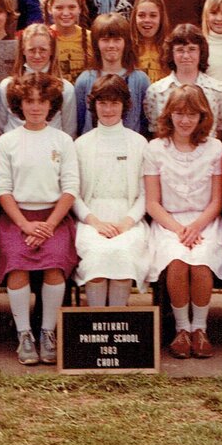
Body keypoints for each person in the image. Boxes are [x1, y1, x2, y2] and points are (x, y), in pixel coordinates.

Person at [0, 73, 80, 365]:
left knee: (55, 267)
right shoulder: (6, 142)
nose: (35, 107)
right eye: (29, 101)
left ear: (52, 104)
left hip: (54, 218)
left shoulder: (63, 140)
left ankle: (47, 332)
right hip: (17, 218)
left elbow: (70, 188)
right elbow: (3, 189)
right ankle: (24, 333)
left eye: (42, 101)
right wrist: (25, 225)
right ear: (19, 104)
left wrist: (49, 225)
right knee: (18, 268)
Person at [144, 85, 222, 359]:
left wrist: (196, 227)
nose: (185, 120)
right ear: (169, 115)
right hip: (169, 223)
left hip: (205, 222)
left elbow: (217, 201)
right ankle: (182, 328)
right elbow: (152, 203)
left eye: (192, 114)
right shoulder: (155, 148)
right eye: (179, 113)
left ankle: (200, 329)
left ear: (203, 116)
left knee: (202, 261)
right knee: (178, 261)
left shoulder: (215, 148)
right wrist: (180, 229)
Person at [73, 75, 150, 306]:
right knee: (97, 257)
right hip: (90, 219)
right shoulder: (80, 144)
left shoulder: (139, 143)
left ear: (124, 105)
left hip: (129, 220)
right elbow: (73, 193)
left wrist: (127, 222)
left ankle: (117, 320)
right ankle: (97, 323)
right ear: (93, 105)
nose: (108, 109)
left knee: (122, 255)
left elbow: (146, 194)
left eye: (114, 103)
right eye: (102, 103)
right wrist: (94, 222)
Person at [145, 24, 222, 139]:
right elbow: (156, 132)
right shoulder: (156, 91)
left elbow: (219, 131)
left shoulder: (219, 90)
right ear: (171, 53)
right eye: (180, 50)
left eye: (192, 49)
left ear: (201, 52)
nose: (186, 55)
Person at [74, 13, 150, 135]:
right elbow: (80, 120)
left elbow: (144, 122)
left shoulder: (140, 80)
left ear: (126, 43)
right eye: (105, 40)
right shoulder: (85, 80)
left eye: (117, 40)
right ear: (96, 43)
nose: (111, 45)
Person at [0, 23, 77, 137]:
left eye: (43, 50)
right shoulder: (7, 86)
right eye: (32, 50)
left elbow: (69, 130)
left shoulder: (65, 88)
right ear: (23, 50)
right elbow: (0, 126)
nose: (37, 56)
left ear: (51, 51)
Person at [47, 0, 92, 84]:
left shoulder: (91, 38)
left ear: (79, 8)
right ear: (50, 9)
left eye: (72, 7)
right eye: (59, 8)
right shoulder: (44, 39)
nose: (66, 13)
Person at [130, 0, 170, 83]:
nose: (147, 20)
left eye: (153, 15)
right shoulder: (127, 46)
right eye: (141, 15)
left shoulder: (170, 47)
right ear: (134, 17)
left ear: (161, 18)